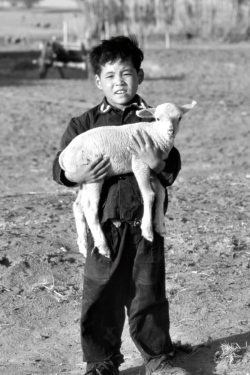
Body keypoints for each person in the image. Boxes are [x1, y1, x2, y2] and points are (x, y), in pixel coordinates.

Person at [52, 36, 190, 375]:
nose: (119, 82)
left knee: (148, 292)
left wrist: (157, 164)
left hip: (145, 222)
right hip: (106, 222)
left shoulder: (158, 121)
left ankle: (158, 358)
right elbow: (59, 166)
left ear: (139, 76)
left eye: (126, 74)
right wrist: (73, 174)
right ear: (98, 81)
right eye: (110, 75)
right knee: (100, 293)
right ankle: (100, 361)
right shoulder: (83, 124)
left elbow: (171, 166)